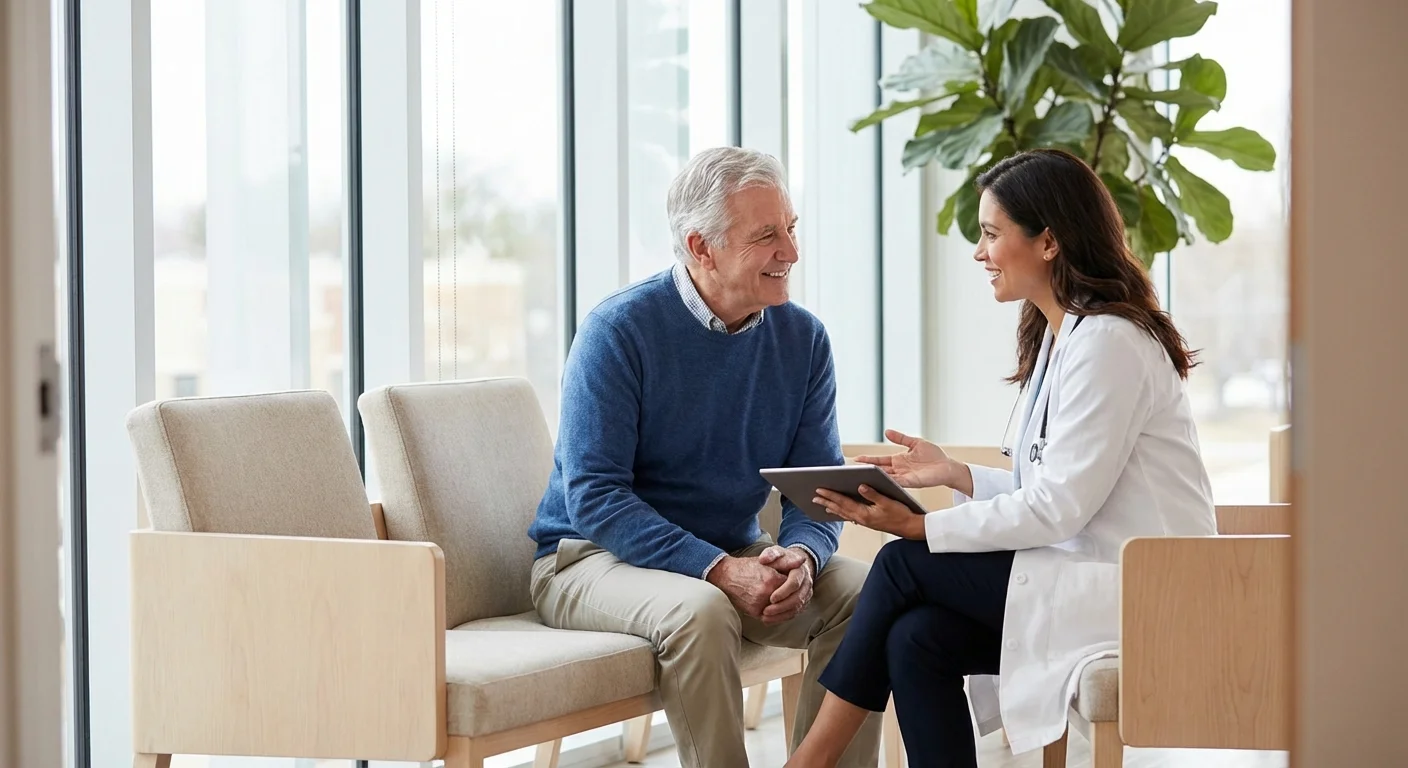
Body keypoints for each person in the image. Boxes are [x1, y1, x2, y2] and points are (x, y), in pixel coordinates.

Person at [783, 149, 1217, 768]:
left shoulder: (1110, 343)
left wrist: (922, 524)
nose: (980, 253)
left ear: (1048, 242)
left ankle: (808, 761)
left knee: (903, 564)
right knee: (916, 638)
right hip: (1086, 574)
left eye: (991, 234)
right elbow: (1054, 482)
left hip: (1142, 588)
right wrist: (955, 473)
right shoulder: (1066, 336)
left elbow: (1060, 507)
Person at [527, 146, 882, 768]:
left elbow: (817, 488)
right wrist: (717, 568)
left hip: (726, 552)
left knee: (870, 591)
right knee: (702, 609)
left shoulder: (803, 339)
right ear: (701, 246)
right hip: (587, 559)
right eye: (767, 235)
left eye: (791, 229)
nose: (791, 253)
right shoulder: (618, 331)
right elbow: (594, 497)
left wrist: (800, 554)